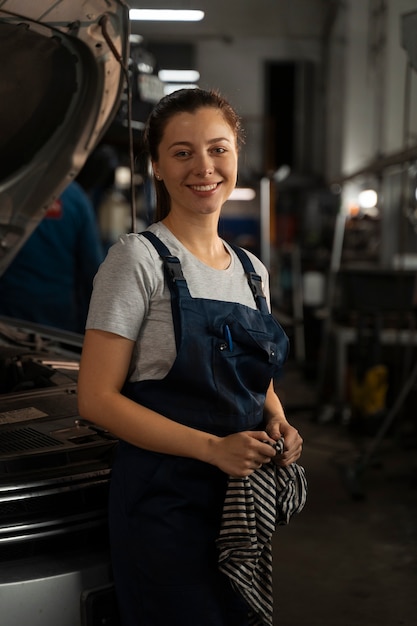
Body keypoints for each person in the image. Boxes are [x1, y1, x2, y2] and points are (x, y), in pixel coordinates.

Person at [77, 88, 304, 626]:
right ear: (156, 165)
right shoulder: (138, 259)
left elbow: (251, 374)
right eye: (182, 153)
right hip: (164, 507)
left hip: (238, 501)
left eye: (217, 149)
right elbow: (96, 399)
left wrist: (278, 418)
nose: (203, 167)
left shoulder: (252, 270)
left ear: (236, 157)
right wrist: (212, 449)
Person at [0, 180, 105, 333]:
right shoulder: (75, 197)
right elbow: (93, 272)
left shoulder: (8, 189)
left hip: (8, 326)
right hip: (58, 329)